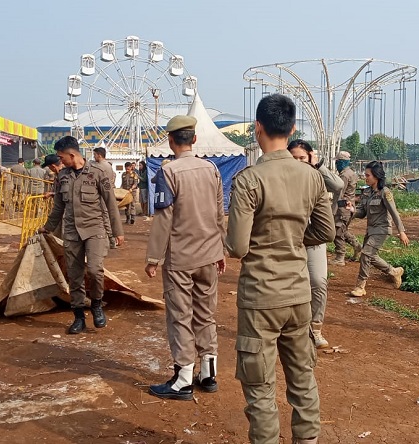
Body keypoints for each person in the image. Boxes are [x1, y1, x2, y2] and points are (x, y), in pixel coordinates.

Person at [225, 94, 334, 444]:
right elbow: (326, 232)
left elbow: (239, 246)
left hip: (260, 297)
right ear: (292, 129)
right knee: (303, 379)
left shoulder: (248, 180)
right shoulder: (311, 177)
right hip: (298, 296)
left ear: (258, 128)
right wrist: (292, 240)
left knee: (260, 388)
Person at [144, 115, 226, 401]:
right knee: (206, 314)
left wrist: (153, 258)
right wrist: (220, 250)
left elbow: (163, 218)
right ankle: (208, 372)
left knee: (181, 316)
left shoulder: (168, 172)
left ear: (170, 140)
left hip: (181, 258)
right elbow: (218, 213)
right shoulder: (212, 169)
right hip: (209, 255)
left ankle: (182, 379)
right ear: (194, 139)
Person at [40, 136, 124, 334]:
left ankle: (96, 305)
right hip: (71, 232)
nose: (60, 161)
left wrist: (117, 231)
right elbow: (58, 207)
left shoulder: (98, 173)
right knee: (75, 276)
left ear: (72, 155)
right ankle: (78, 316)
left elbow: (111, 203)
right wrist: (47, 228)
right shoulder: (62, 177)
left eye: (62, 157)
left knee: (95, 271)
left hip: (95, 230)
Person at [288, 140, 343, 350]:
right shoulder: (285, 176)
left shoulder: (318, 175)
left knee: (318, 282)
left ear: (310, 156)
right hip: (290, 238)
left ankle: (316, 328)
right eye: (294, 158)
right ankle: (293, 328)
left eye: (302, 158)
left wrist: (318, 165)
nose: (298, 162)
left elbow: (338, 186)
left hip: (315, 237)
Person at [348, 161, 409, 297]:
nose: (365, 177)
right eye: (365, 175)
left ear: (376, 176)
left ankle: (360, 286)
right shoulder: (367, 192)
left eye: (368, 175)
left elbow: (394, 213)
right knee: (371, 256)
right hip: (371, 229)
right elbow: (362, 212)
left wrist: (401, 232)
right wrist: (352, 211)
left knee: (365, 254)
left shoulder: (385, 192)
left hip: (382, 229)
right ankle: (394, 271)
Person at [331, 150, 362, 266]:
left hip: (342, 208)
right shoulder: (352, 173)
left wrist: (332, 211)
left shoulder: (344, 175)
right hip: (350, 207)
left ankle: (340, 257)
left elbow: (339, 194)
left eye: (337, 162)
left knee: (336, 231)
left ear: (342, 162)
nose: (336, 164)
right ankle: (357, 246)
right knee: (343, 229)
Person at [92, 147, 118, 249]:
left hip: (102, 194)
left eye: (94, 155)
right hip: (109, 192)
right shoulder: (108, 166)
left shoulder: (99, 167)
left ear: (99, 155)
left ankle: (111, 239)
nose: (94, 157)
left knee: (105, 216)